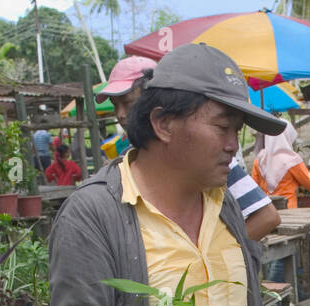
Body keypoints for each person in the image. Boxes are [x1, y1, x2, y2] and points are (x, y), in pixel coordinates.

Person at [49, 43, 293, 306]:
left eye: (237, 130)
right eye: (222, 127)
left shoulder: (224, 204)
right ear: (163, 124)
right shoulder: (92, 217)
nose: (233, 145)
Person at [109, 54, 278, 241]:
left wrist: (220, 257)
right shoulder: (119, 174)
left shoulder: (208, 164)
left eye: (129, 103)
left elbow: (266, 216)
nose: (121, 114)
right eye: (115, 105)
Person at [250, 120, 310, 209]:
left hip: (266, 212)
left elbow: (253, 189)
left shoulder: (259, 159)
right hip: (288, 210)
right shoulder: (292, 160)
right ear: (287, 136)